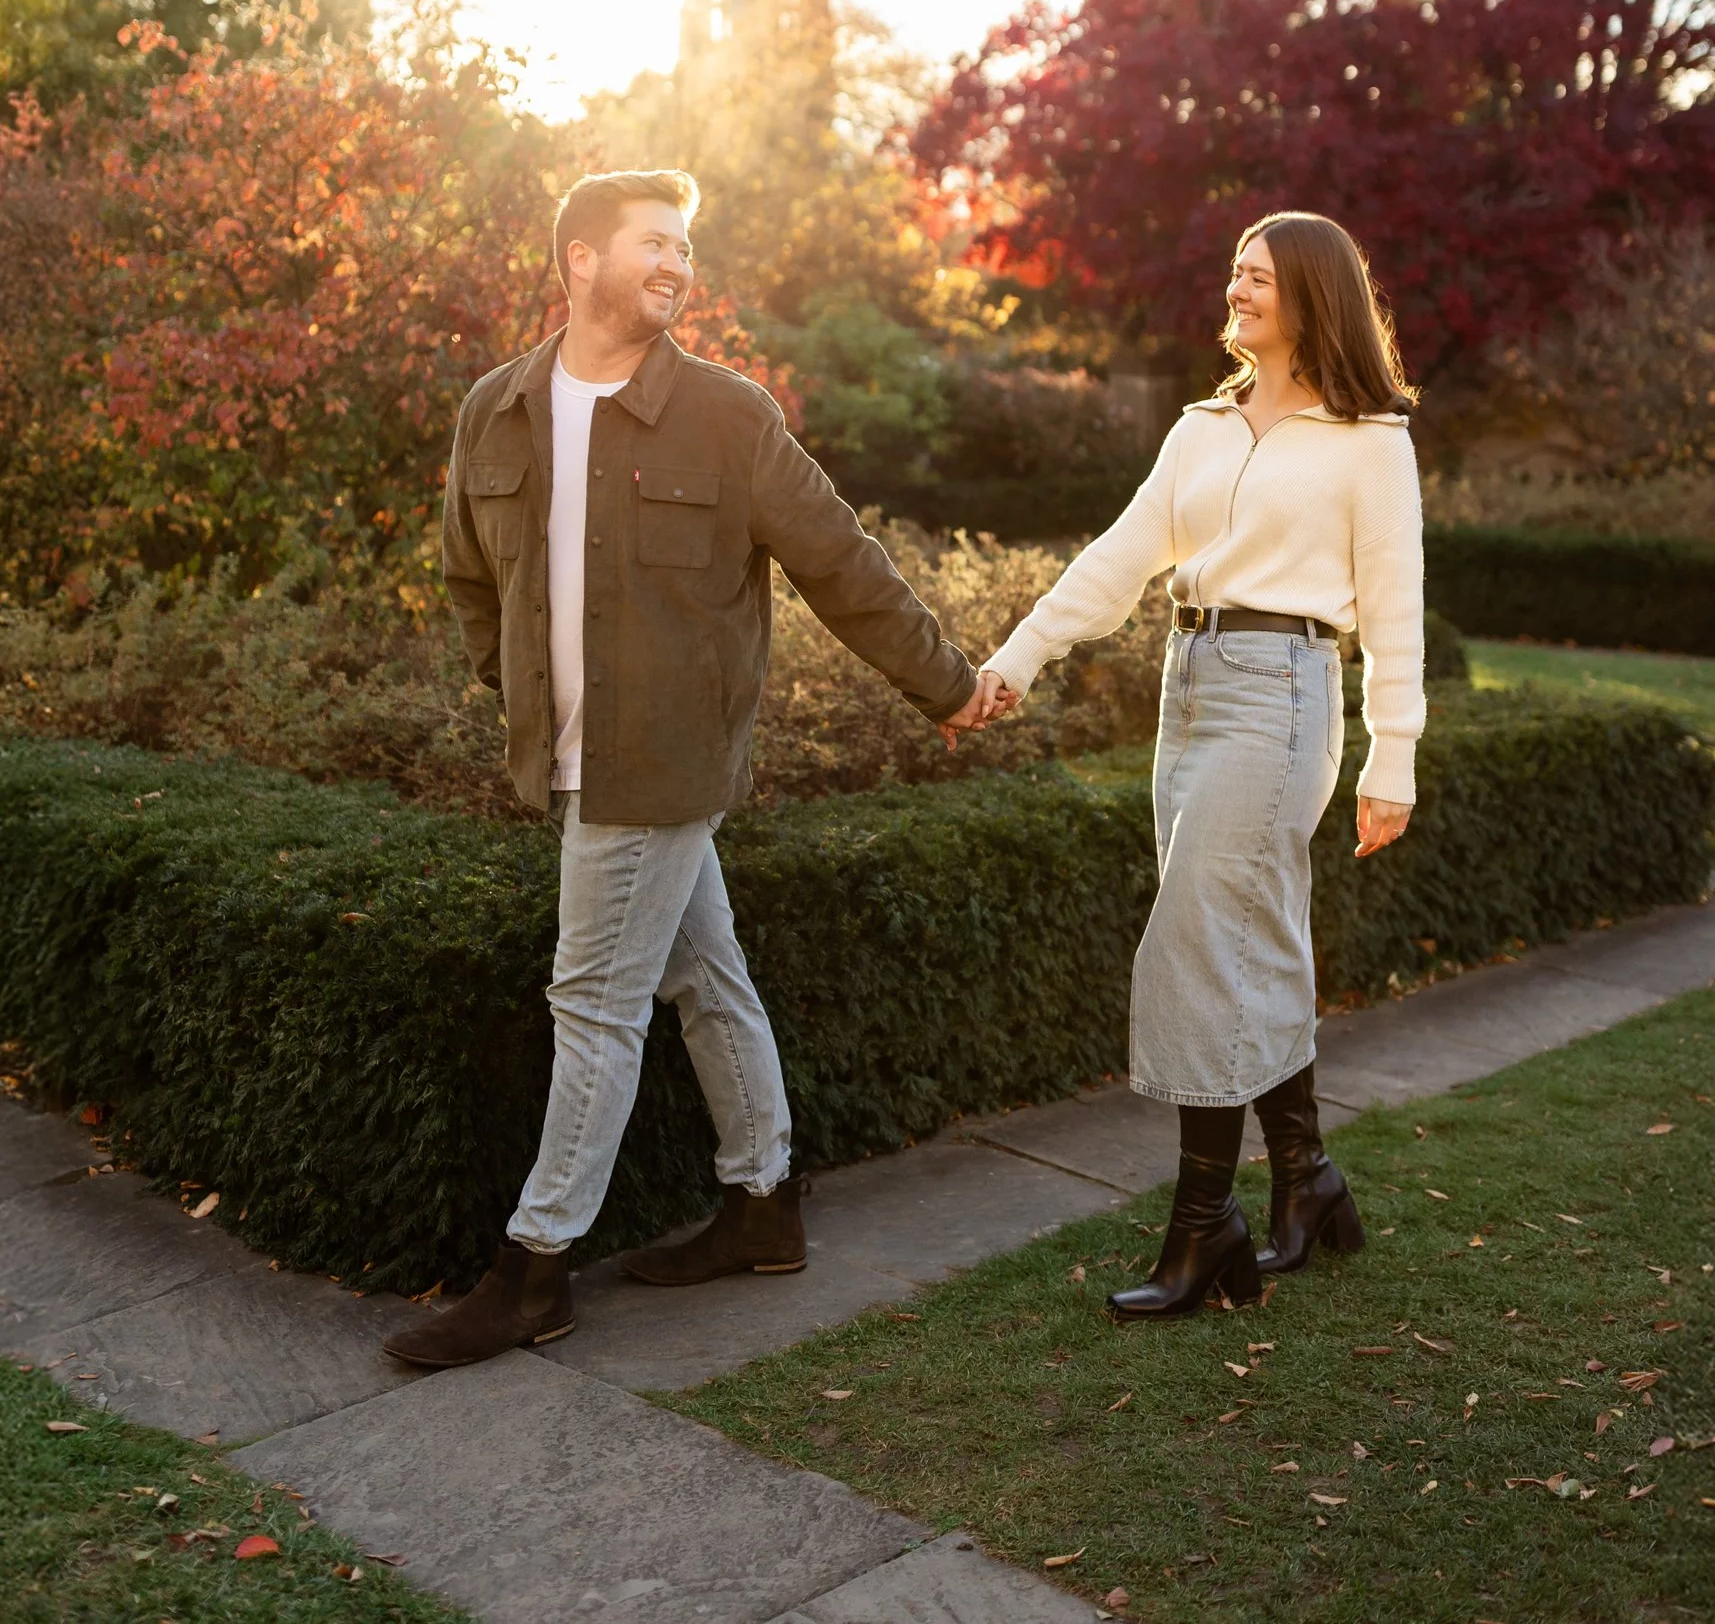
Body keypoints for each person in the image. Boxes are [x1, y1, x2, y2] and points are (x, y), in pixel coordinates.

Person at [385, 168, 990, 1368]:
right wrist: (516, 690)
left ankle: (535, 1265)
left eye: (684, 247)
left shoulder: (726, 414)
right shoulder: (497, 408)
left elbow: (839, 560)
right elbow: (468, 575)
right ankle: (761, 1203)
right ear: (579, 258)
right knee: (704, 975)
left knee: (591, 1006)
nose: (677, 264)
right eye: (654, 242)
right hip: (566, 757)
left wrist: (947, 682)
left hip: (662, 760)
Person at [972, 212, 1424, 1320]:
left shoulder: (1367, 440)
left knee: (1195, 934)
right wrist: (1018, 654)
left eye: (1258, 276)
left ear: (1312, 295)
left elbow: (1395, 611)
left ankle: (1203, 1225)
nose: (1236, 288)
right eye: (1233, 270)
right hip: (1190, 683)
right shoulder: (1200, 428)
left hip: (1283, 691)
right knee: (1249, 936)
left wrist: (1393, 755)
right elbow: (1121, 555)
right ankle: (1306, 1179)